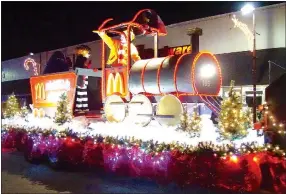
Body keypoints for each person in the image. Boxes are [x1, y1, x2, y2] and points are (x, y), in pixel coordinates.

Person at [73, 45, 91, 114]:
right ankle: (79, 108)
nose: (89, 54)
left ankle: (84, 107)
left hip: (83, 79)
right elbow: (81, 70)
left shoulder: (82, 61)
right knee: (81, 94)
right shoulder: (82, 60)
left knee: (84, 94)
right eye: (88, 53)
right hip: (81, 80)